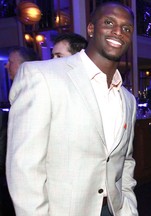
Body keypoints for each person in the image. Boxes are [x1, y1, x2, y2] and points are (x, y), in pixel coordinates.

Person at [6, 2, 138, 216]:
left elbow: (125, 163)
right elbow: (24, 168)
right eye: (108, 22)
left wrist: (128, 209)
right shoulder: (42, 76)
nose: (118, 31)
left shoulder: (128, 100)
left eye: (126, 28)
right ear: (91, 29)